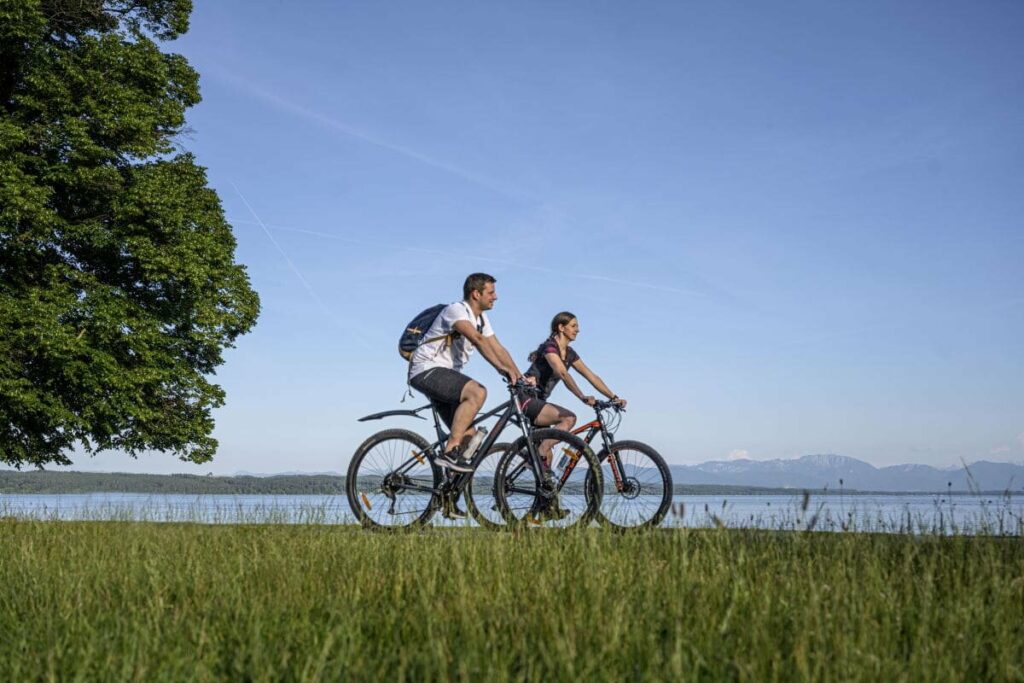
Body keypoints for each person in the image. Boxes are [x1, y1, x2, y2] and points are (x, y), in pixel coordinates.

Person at [408, 273, 529, 481]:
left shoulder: (481, 319)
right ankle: (449, 452)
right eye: (491, 292)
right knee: (477, 392)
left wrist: (520, 376)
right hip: (426, 370)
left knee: (470, 444)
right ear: (476, 293)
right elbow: (478, 340)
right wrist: (502, 370)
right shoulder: (456, 311)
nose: (496, 297)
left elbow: (498, 348)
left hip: (445, 375)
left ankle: (447, 497)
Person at [522, 311, 627, 468]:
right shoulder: (550, 347)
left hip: (540, 401)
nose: (577, 330)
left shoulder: (570, 354)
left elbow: (591, 376)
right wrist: (582, 396)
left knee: (547, 458)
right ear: (561, 327)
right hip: (526, 398)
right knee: (569, 418)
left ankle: (543, 486)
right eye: (573, 326)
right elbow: (562, 373)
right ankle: (538, 454)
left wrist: (614, 397)